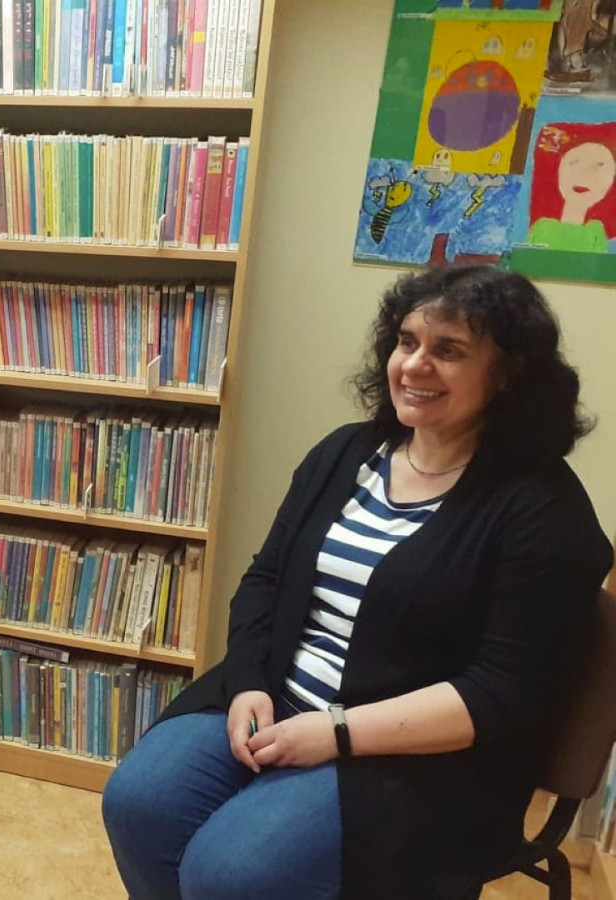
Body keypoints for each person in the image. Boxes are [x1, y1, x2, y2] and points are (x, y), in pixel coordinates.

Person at [101, 265, 614, 900]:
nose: (415, 365)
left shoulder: (544, 510)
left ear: (507, 375)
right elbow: (265, 579)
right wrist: (249, 682)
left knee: (231, 872)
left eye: (449, 350)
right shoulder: (345, 453)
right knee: (138, 803)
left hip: (416, 759)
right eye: (407, 342)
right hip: (279, 698)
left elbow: (498, 693)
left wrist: (336, 732)